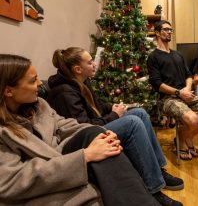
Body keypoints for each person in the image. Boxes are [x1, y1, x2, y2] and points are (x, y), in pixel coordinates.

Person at [0, 54, 159, 206]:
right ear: (8, 91)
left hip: (63, 155)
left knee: (99, 132)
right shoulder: (65, 92)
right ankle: (152, 194)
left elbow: (67, 124)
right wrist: (84, 156)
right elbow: (11, 181)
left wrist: (101, 130)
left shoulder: (40, 105)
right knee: (131, 122)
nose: (40, 84)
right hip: (52, 172)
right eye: (33, 80)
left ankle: (153, 187)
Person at [46, 47, 183, 206]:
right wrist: (114, 116)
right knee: (133, 123)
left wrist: (114, 108)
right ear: (78, 69)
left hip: (98, 124)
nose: (94, 65)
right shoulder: (64, 92)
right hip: (87, 136)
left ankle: (158, 170)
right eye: (90, 62)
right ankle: (154, 188)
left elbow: (99, 107)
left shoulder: (82, 82)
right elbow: (82, 126)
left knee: (140, 113)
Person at [147, 20, 198, 160]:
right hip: (168, 99)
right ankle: (185, 137)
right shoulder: (153, 57)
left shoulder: (177, 55)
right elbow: (157, 84)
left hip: (186, 94)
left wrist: (186, 88)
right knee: (193, 119)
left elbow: (189, 76)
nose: (169, 32)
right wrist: (179, 93)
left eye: (170, 30)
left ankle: (183, 135)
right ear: (157, 32)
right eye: (166, 29)